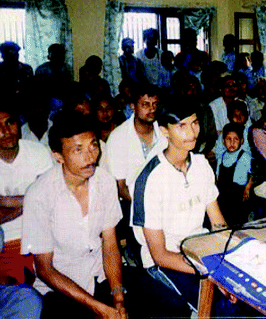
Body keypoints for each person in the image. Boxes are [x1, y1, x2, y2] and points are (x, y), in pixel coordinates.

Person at [131, 101, 246, 317]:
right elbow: (160, 255)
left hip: (201, 252)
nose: (191, 132)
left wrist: (230, 264)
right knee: (222, 309)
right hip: (168, 261)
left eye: (194, 123)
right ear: (164, 131)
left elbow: (218, 224)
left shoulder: (201, 165)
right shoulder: (149, 179)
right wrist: (211, 273)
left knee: (246, 296)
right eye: (181, 126)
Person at [22, 111, 126, 319]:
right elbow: (44, 269)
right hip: (61, 287)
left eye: (93, 146)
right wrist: (98, 308)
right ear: (58, 155)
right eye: (78, 150)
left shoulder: (104, 181)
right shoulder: (39, 194)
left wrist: (118, 297)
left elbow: (110, 243)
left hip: (101, 275)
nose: (90, 157)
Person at [0, 99, 53, 292]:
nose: (5, 131)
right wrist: (33, 199)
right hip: (4, 243)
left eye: (9, 122)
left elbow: (50, 198)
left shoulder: (38, 152)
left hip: (40, 236)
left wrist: (5, 201)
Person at [216, 123, 253, 226]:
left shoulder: (245, 157)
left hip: (238, 197)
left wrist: (248, 187)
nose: (232, 142)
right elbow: (218, 176)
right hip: (224, 197)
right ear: (223, 141)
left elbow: (254, 173)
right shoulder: (221, 157)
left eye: (236, 139)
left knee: (238, 223)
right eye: (228, 139)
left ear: (241, 141)